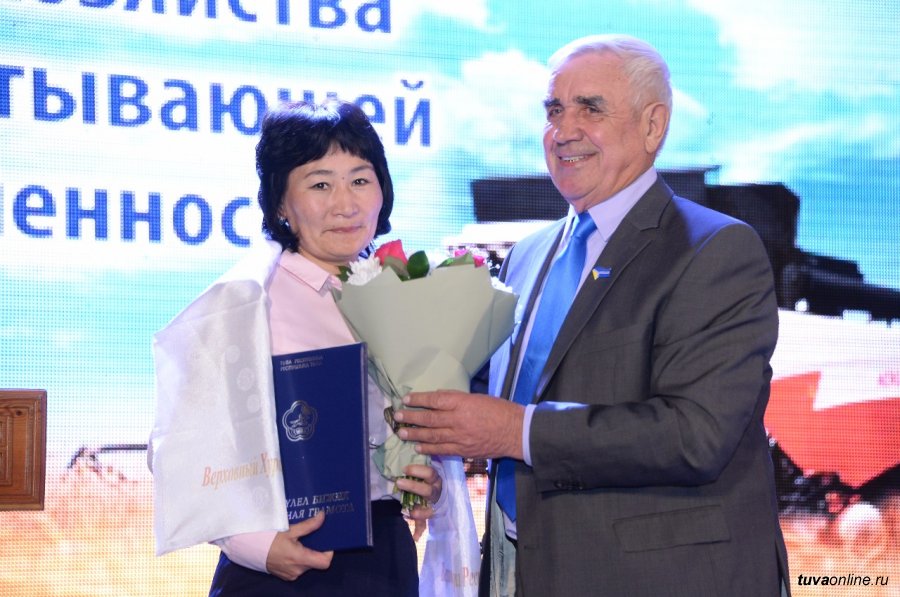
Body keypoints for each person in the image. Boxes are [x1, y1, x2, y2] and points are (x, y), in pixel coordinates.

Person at [393, 34, 792, 596]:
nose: (564, 130)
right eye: (554, 110)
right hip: (518, 567)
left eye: (591, 109)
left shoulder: (714, 249)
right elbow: (498, 397)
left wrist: (513, 430)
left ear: (653, 126)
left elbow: (694, 434)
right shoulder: (528, 255)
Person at [150, 100, 477, 596]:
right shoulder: (246, 302)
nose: (345, 204)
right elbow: (179, 450)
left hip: (386, 557)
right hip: (281, 567)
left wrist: (423, 484)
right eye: (320, 184)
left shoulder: (405, 297)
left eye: (360, 180)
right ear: (281, 203)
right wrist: (256, 546)